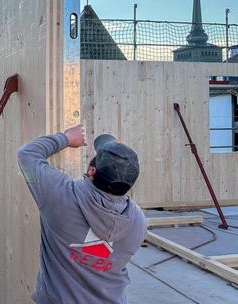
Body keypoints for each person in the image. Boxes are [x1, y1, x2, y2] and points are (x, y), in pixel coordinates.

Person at [17, 124, 146, 304]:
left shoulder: (60, 196)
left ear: (91, 171)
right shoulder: (138, 221)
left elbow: (26, 154)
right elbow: (99, 252)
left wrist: (66, 138)